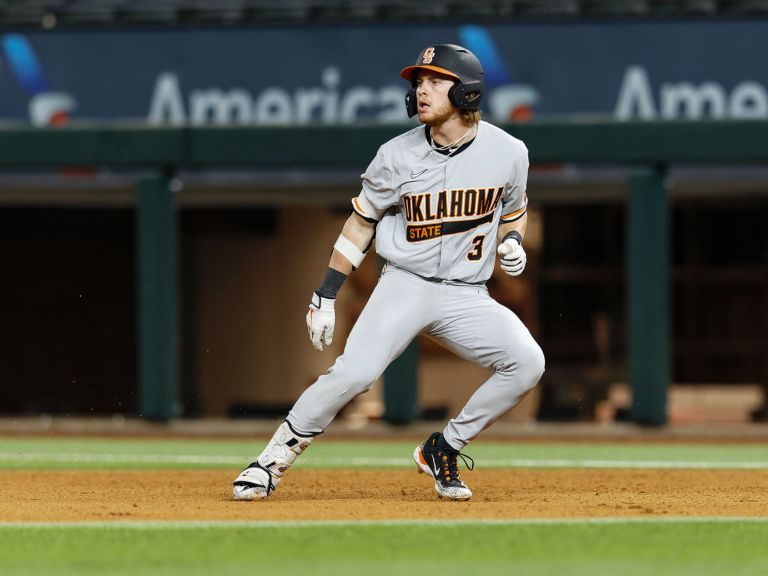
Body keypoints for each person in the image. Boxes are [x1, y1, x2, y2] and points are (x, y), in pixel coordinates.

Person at [233, 44, 545, 501]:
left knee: (526, 363)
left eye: (435, 81)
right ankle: (270, 461)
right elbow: (359, 224)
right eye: (418, 82)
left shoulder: (509, 152)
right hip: (406, 284)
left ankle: (445, 447)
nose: (422, 90)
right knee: (353, 375)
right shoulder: (394, 155)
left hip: (467, 292)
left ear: (468, 93)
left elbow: (513, 210)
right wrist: (326, 293)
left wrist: (512, 240)